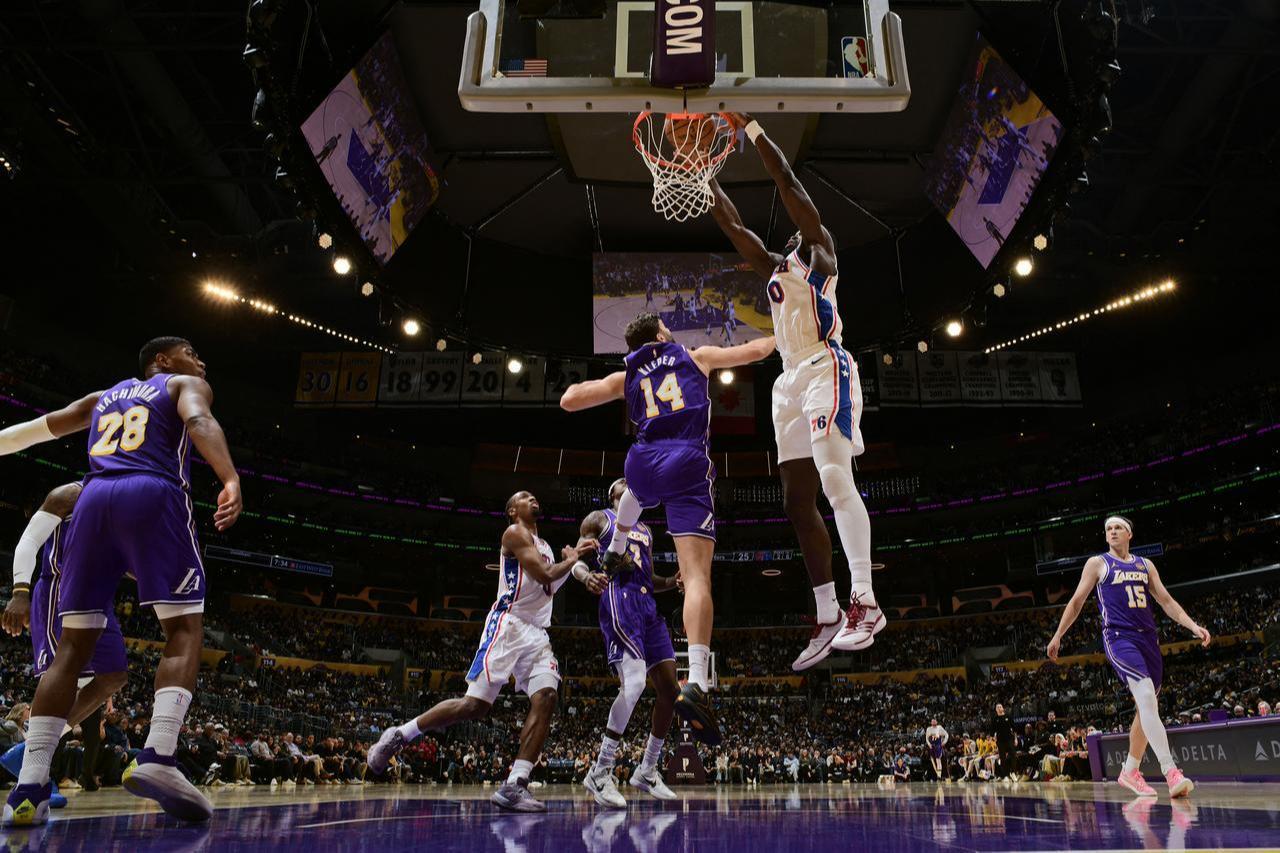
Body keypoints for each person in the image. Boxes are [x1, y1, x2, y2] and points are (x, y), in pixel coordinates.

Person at [0, 336, 242, 827]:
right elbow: (199, 421)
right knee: (184, 629)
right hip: (151, 492)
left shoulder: (100, 398)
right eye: (192, 351)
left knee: (72, 649)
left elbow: (32, 433)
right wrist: (229, 476)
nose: (201, 360)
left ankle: (28, 789)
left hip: (90, 501)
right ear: (162, 360)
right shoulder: (182, 384)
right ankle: (159, 755)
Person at [708, 114, 881, 672]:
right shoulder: (776, 268)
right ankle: (828, 612)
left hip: (826, 366)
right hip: (787, 381)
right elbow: (735, 228)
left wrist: (753, 131)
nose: (787, 235)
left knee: (835, 477)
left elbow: (787, 183)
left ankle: (866, 602)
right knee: (795, 500)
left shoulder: (821, 254)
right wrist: (699, 174)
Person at [560, 313, 774, 745]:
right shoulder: (698, 357)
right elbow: (756, 351)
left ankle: (617, 541)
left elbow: (569, 400)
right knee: (696, 577)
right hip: (688, 462)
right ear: (662, 335)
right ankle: (697, 679)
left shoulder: (629, 374)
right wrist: (788, 334)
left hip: (642, 462)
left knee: (634, 492)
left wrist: (610, 384)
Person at [366, 491, 595, 812]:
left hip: (537, 634)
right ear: (512, 509)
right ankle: (400, 735)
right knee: (474, 706)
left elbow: (547, 586)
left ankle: (516, 783)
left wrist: (571, 561)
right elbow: (544, 574)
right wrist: (572, 560)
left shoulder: (543, 546)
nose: (533, 498)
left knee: (548, 696)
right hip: (508, 625)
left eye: (533, 495)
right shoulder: (514, 534)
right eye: (524, 497)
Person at [1047, 515, 1210, 798]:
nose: (1112, 532)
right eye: (1108, 529)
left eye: (1117, 527)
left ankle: (1130, 771)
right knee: (1146, 697)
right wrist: (1058, 634)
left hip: (1149, 639)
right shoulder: (1098, 563)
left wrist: (1193, 625)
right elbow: (1076, 602)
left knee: (1145, 708)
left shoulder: (1145, 565)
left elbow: (1167, 601)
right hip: (1119, 637)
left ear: (1129, 534)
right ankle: (1171, 771)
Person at [1, 482, 130, 805]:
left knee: (113, 675)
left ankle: (30, 752)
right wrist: (20, 591)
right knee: (62, 676)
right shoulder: (68, 494)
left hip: (98, 596)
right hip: (60, 590)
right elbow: (29, 541)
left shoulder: (125, 507)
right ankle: (33, 778)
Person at [574, 478, 680, 808]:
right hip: (620, 601)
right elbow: (576, 557)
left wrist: (673, 582)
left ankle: (646, 770)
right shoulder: (600, 519)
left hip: (649, 607)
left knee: (669, 689)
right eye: (627, 488)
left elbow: (650, 580)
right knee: (634, 683)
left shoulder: (646, 530)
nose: (636, 492)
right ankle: (601, 771)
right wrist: (585, 575)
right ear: (614, 495)